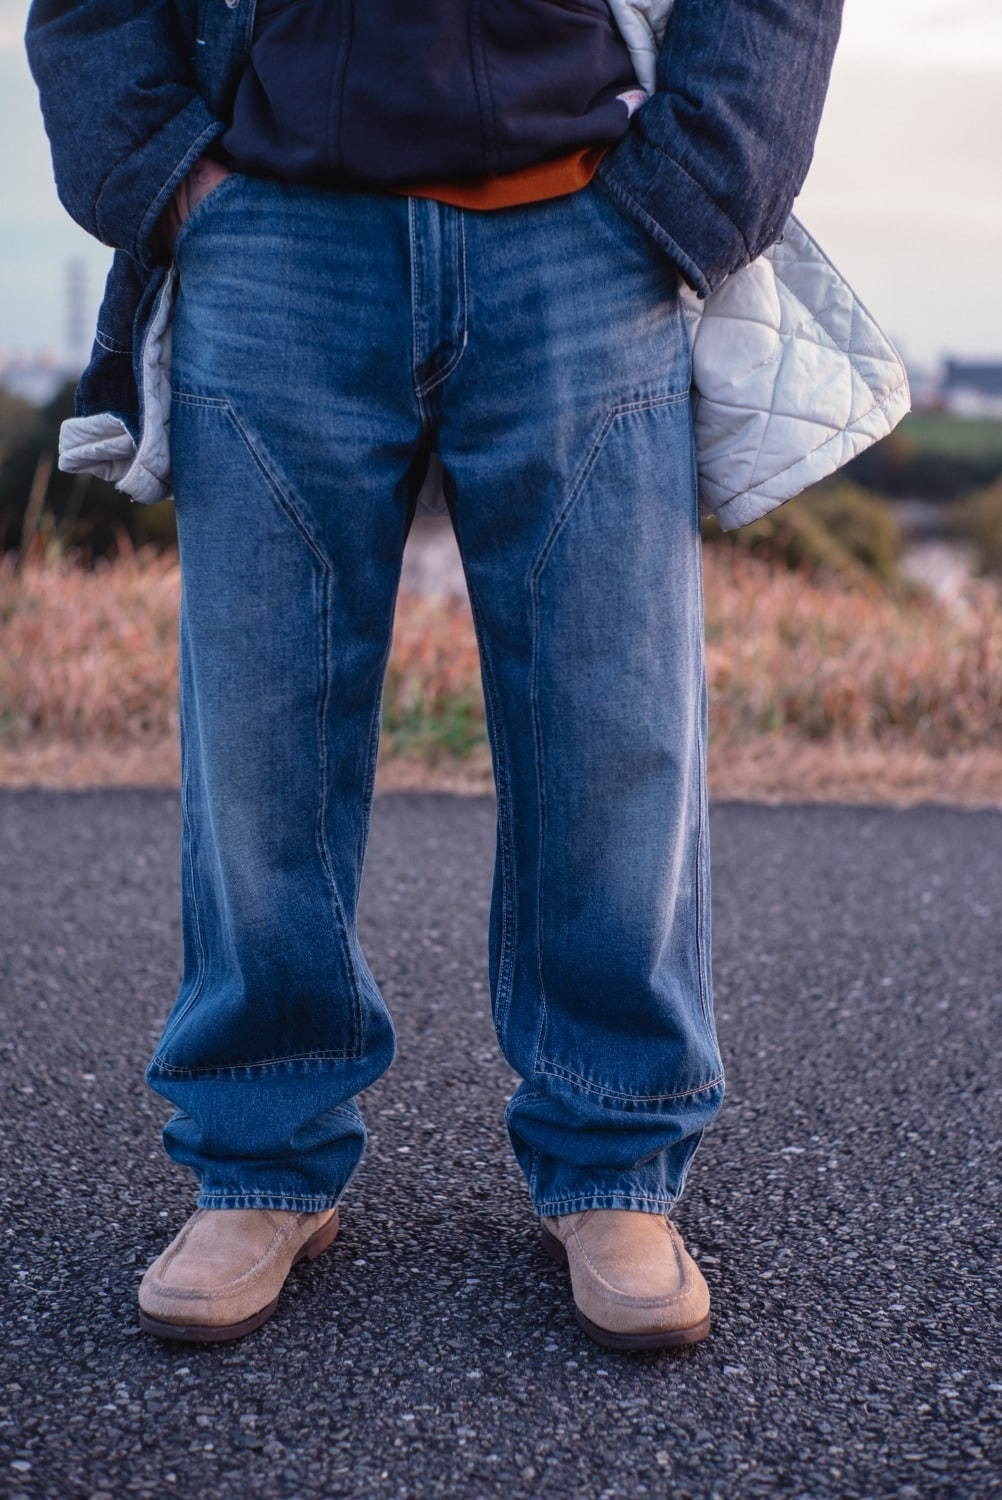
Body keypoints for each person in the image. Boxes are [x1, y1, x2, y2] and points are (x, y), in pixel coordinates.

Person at [26, 0, 845, 1350]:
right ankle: (257, 1159)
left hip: (584, 230)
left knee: (613, 725)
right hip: (274, 234)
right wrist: (168, 179)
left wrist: (694, 188)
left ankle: (612, 1163)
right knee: (259, 728)